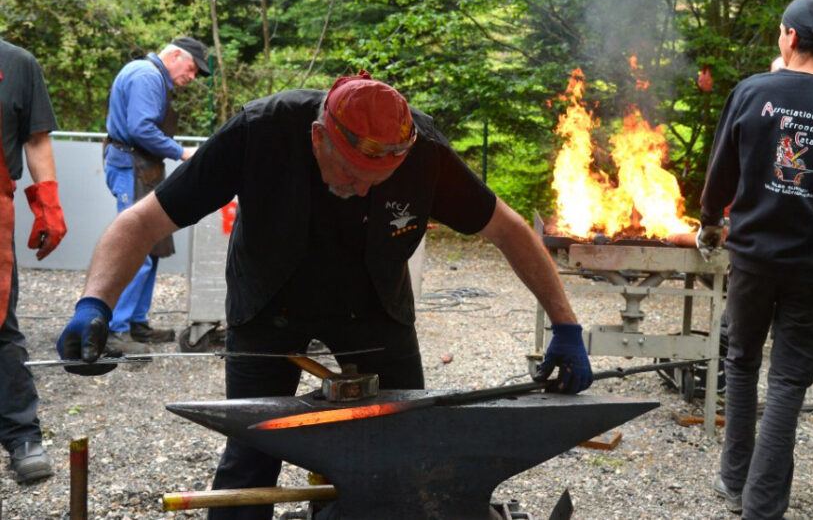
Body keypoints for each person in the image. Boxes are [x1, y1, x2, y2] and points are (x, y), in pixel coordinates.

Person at [57, 70, 593, 519]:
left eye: (379, 183)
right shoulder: (260, 132)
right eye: (353, 176)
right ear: (318, 138)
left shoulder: (425, 154)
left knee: (403, 441)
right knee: (253, 448)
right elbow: (143, 222)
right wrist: (94, 305)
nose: (363, 191)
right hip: (269, 299)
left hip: (372, 302)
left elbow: (510, 231)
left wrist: (566, 327)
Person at [696, 0, 813, 519]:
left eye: (781, 30)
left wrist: (710, 223)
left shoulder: (752, 92)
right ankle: (760, 504)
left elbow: (721, 170)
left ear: (790, 38)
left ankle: (736, 482)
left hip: (752, 258)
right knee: (786, 381)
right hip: (812, 268)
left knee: (743, 360)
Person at [102, 37, 209, 352]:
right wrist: (182, 152)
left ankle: (136, 323)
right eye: (191, 69)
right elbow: (141, 129)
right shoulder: (147, 76)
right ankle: (114, 330)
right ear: (174, 54)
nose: (191, 77)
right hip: (131, 165)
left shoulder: (149, 75)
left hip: (143, 166)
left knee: (150, 245)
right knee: (134, 245)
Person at [0, 37, 67, 483]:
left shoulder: (18, 63)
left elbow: (36, 138)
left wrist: (48, 204)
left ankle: (22, 434)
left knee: (1, 323)